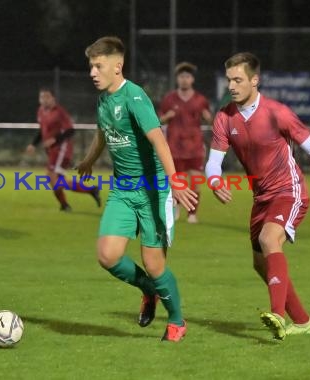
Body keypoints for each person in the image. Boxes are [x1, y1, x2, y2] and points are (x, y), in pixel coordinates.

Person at [206, 52, 310, 340]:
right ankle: (302, 321)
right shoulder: (225, 117)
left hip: (289, 190)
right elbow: (213, 160)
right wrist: (213, 179)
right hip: (261, 197)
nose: (232, 86)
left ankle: (277, 315)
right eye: (229, 80)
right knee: (261, 263)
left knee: (269, 239)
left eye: (238, 80)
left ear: (254, 80)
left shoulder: (276, 112)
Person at [78, 36, 198, 342]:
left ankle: (177, 321)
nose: (93, 72)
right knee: (107, 256)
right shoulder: (104, 98)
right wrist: (89, 160)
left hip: (153, 191)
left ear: (117, 66)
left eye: (98, 66)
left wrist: (175, 181)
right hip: (123, 189)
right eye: (91, 66)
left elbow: (159, 140)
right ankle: (148, 291)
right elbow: (103, 133)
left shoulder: (135, 97)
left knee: (154, 265)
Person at [26, 88, 101, 211]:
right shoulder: (41, 111)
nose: (44, 100)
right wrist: (34, 144)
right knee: (57, 180)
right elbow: (42, 130)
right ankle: (83, 194)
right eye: (42, 97)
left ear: (53, 98)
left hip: (62, 149)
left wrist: (55, 139)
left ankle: (69, 202)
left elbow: (70, 130)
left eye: (47, 97)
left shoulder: (59, 112)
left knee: (53, 178)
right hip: (52, 150)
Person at [159, 62, 212, 223]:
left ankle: (192, 213)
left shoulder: (200, 100)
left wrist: (210, 117)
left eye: (187, 77)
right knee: (177, 183)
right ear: (177, 79)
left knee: (195, 181)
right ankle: (176, 208)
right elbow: (159, 119)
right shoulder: (169, 98)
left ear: (192, 79)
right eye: (181, 76)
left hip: (195, 147)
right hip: (174, 147)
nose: (184, 80)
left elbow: (210, 118)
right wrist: (167, 116)